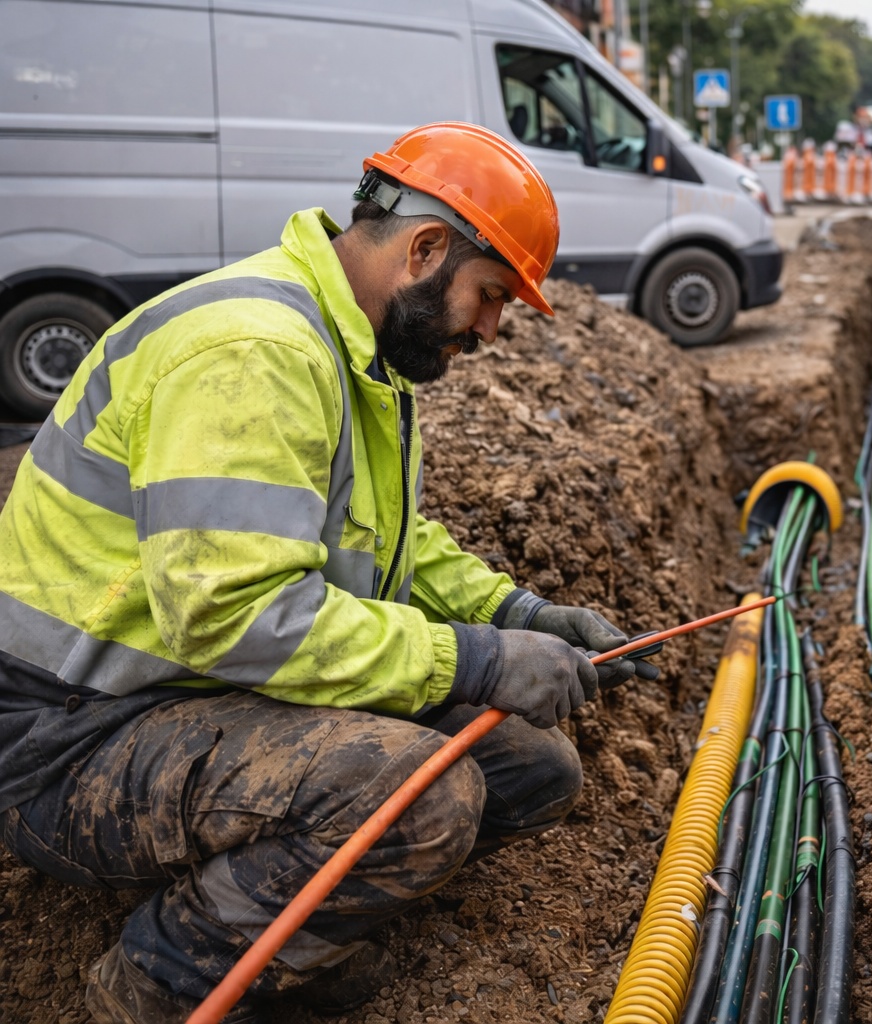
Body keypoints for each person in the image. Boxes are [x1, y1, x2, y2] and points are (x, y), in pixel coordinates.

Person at [0, 121, 657, 1024]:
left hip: (187, 691)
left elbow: (392, 541)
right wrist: (478, 660)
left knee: (532, 767)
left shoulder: (348, 351)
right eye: (490, 293)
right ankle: (158, 982)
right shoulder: (254, 352)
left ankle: (289, 915)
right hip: (72, 738)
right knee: (417, 794)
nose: (494, 329)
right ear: (426, 249)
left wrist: (521, 610)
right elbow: (236, 615)